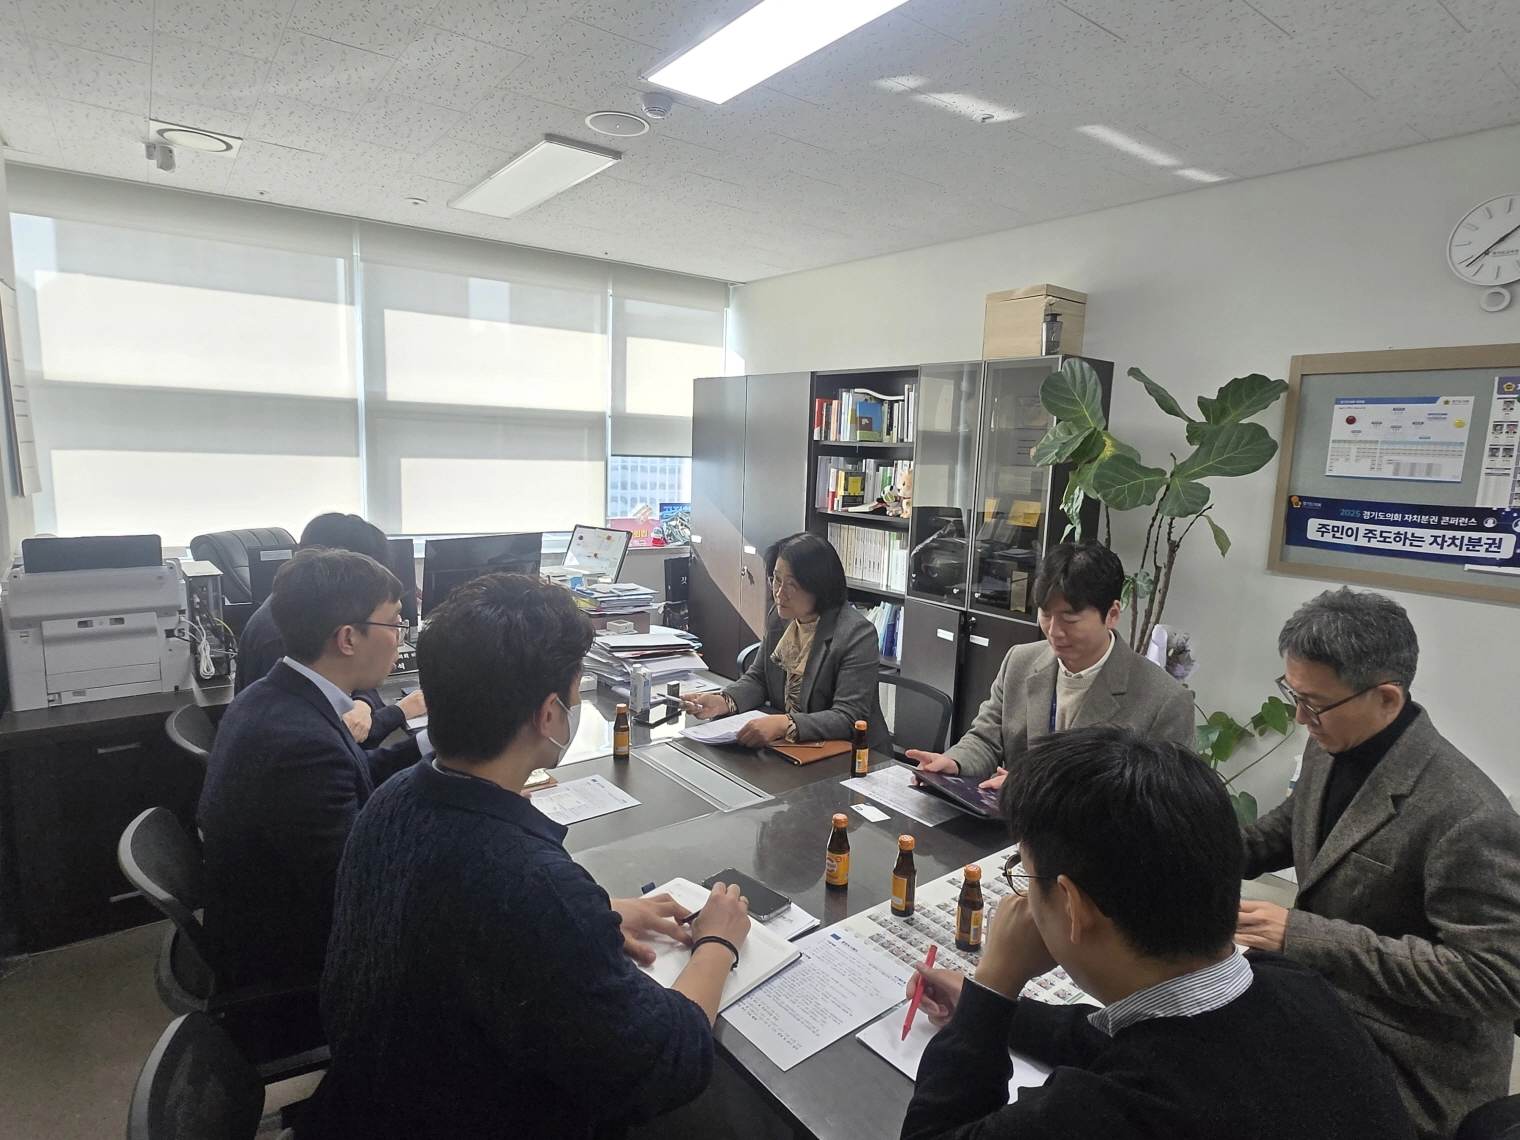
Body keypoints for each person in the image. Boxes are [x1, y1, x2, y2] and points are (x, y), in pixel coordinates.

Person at [301, 574, 751, 1140]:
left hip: (371, 1103)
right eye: (577, 689)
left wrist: (597, 914)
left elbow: (458, 923)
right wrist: (718, 943)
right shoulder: (530, 889)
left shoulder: (393, 799)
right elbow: (664, 1063)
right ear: (549, 715)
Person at [902, 724, 1415, 1140]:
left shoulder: (1114, 1112)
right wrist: (988, 1014)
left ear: (1073, 906)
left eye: (1025, 876)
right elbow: (1126, 1035)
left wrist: (993, 985)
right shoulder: (1296, 984)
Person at [1238, 588, 1520, 1140]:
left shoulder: (1469, 814)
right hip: (1324, 1000)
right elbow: (1285, 832)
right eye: (1293, 694)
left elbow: (1495, 978)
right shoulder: (1333, 741)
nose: (1300, 717)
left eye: (1314, 703)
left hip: (1416, 1060)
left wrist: (1301, 935)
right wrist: (1182, 847)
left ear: (1387, 698)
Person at [198, 548, 425, 989]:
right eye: (395, 624)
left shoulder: (274, 695)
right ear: (348, 639)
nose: (400, 638)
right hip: (292, 966)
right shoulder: (300, 746)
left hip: (269, 916)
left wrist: (435, 747)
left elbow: (353, 771)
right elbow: (355, 886)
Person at [911, 543, 1192, 790]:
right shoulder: (1020, 662)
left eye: (1070, 618)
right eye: (1046, 614)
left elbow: (1158, 802)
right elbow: (986, 738)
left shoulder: (1164, 701)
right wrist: (954, 762)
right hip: (1007, 826)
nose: (1054, 631)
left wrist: (1032, 790)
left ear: (1112, 614)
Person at [683, 531, 889, 749]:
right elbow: (759, 678)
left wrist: (785, 724)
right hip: (792, 747)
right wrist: (723, 701)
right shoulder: (781, 617)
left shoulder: (856, 634)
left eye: (791, 585)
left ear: (819, 587)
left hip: (851, 754)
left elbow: (848, 717)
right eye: (776, 580)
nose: (779, 594)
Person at [236, 512, 424, 747]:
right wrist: (397, 713)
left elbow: (355, 683)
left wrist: (363, 703)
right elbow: (342, 737)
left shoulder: (303, 609)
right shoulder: (281, 635)